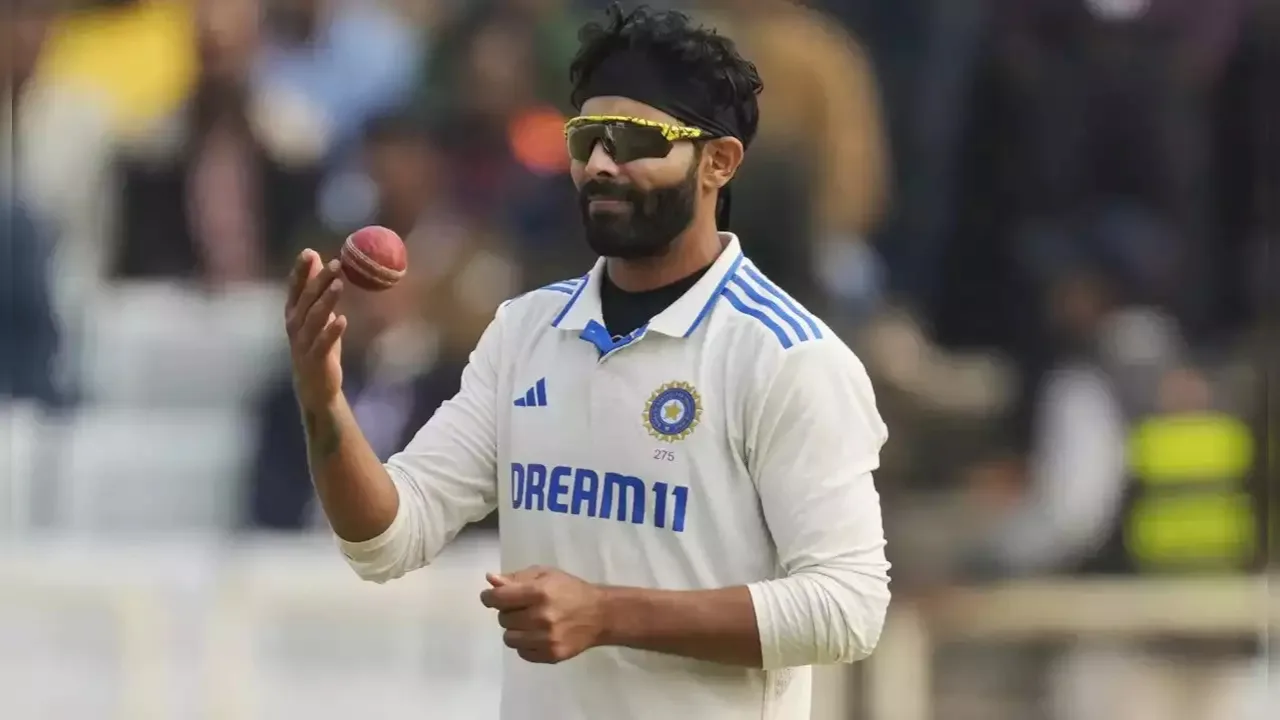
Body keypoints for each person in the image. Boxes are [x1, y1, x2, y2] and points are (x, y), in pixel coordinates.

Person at [282, 6, 890, 719]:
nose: (601, 163)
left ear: (718, 163)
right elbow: (386, 538)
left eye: (635, 140)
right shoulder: (527, 331)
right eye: (587, 138)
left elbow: (847, 608)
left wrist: (606, 613)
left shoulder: (787, 357)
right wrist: (323, 402)